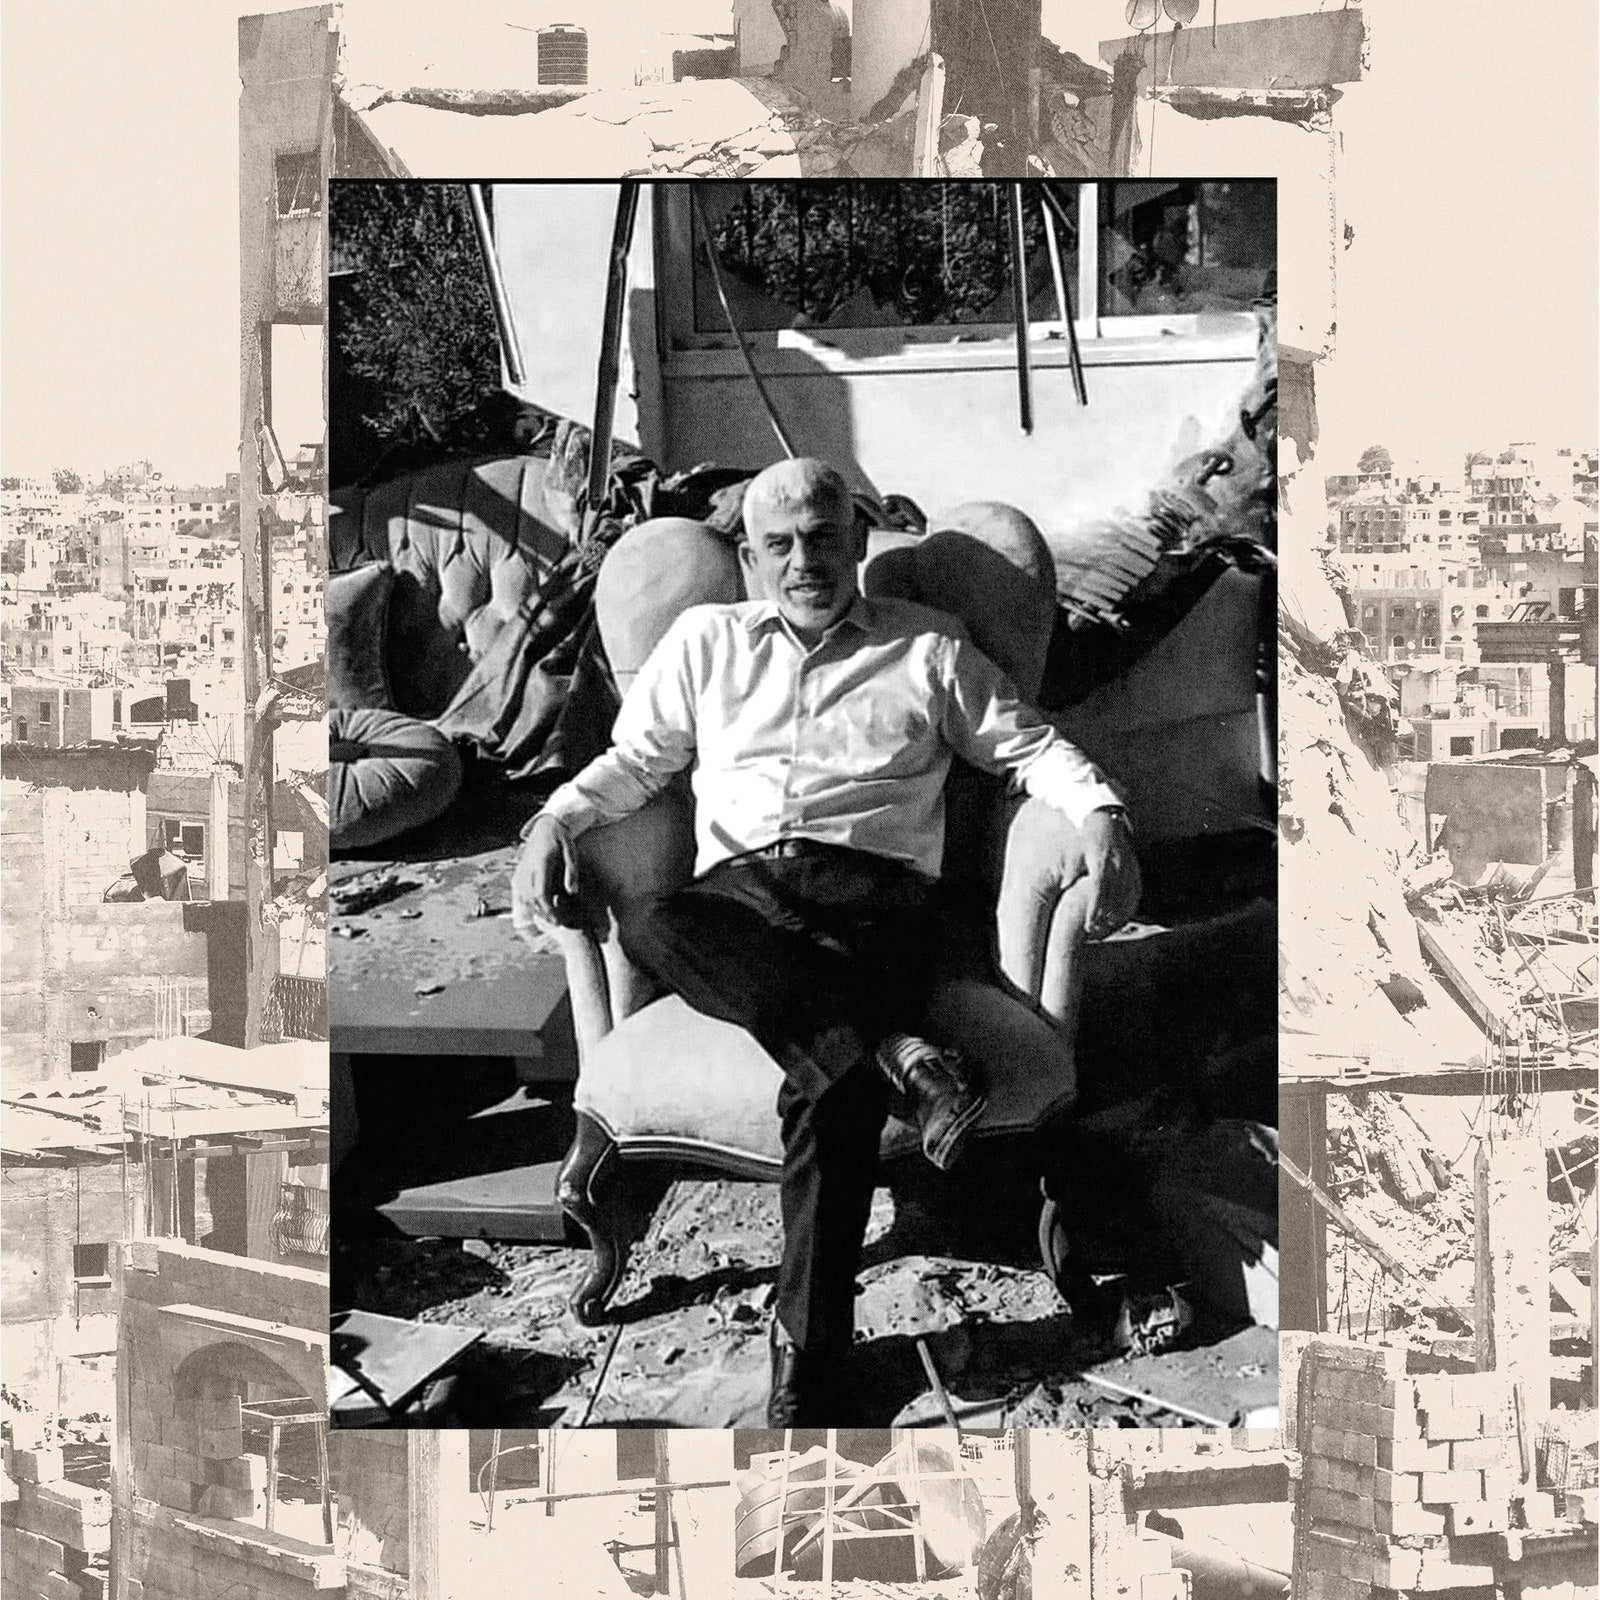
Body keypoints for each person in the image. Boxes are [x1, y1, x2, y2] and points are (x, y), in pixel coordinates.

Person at [514, 458, 1139, 1423]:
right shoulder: (702, 642)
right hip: (736, 897)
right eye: (779, 545)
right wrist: (553, 823)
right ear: (751, 557)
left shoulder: (928, 646)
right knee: (653, 917)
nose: (803, 560)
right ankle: (891, 1051)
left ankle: (808, 1354)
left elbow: (1031, 749)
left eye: (821, 537)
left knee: (829, 1085)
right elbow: (636, 763)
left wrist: (1101, 819)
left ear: (855, 540)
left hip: (876, 896)